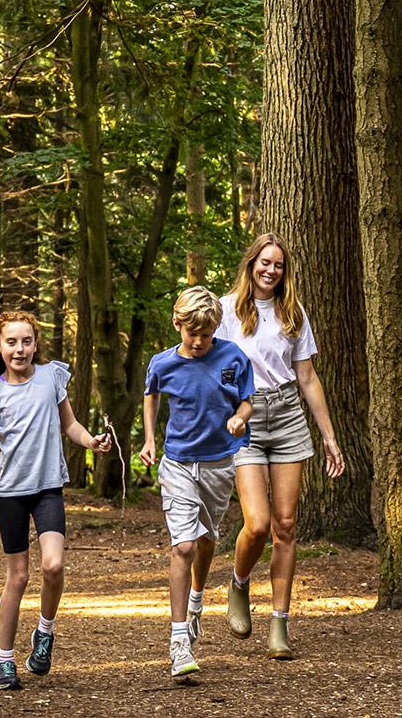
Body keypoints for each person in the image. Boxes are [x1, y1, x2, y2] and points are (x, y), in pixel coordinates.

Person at [0, 312, 112, 690]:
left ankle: (44, 633)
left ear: (35, 344)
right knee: (18, 576)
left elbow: (70, 425)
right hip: (10, 493)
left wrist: (91, 441)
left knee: (54, 565)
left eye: (26, 341)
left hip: (48, 487)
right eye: (11, 343)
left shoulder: (51, 377)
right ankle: (4, 661)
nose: (20, 349)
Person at [215, 233, 346, 660]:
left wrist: (328, 436)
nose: (271, 271)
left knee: (286, 524)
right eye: (264, 262)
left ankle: (279, 623)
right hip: (244, 418)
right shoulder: (226, 311)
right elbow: (205, 366)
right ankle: (237, 582)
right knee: (257, 523)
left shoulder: (294, 313)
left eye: (279, 265)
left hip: (288, 415)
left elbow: (307, 377)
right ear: (250, 263)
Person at [140, 286, 255, 678]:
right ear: (178, 325)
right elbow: (151, 395)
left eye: (206, 334)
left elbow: (247, 399)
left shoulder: (233, 357)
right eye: (193, 334)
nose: (200, 341)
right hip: (177, 464)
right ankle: (177, 641)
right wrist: (151, 438)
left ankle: (196, 600)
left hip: (219, 464)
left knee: (207, 540)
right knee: (184, 545)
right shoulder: (162, 363)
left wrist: (241, 417)